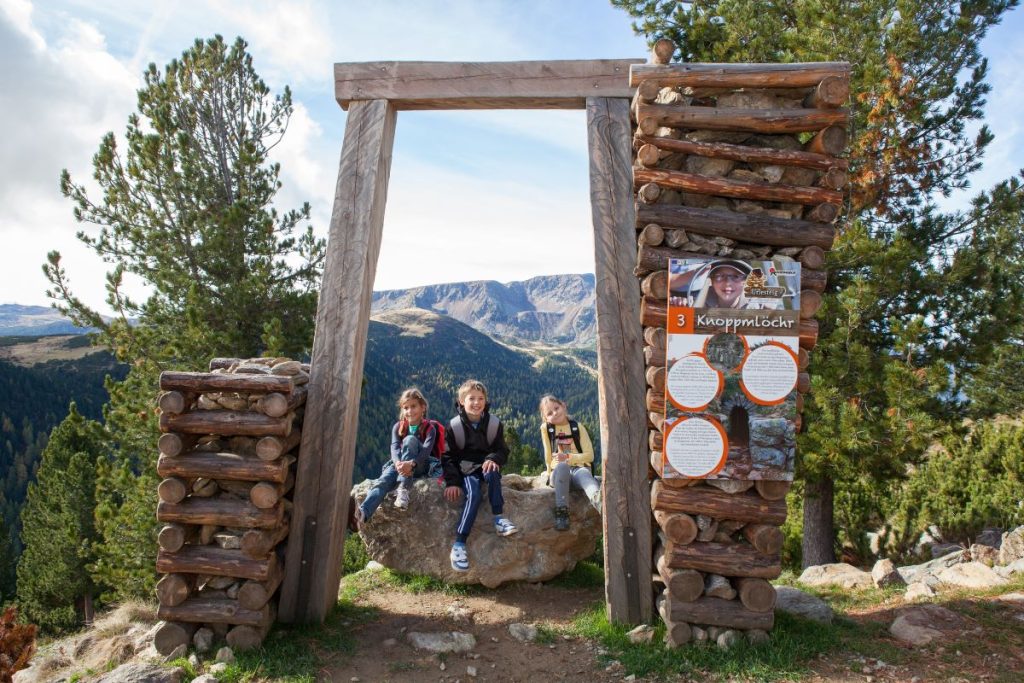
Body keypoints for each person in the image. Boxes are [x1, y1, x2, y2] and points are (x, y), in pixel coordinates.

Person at [442, 379, 517, 572]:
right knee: (473, 494)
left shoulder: (493, 424)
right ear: (461, 402)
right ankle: (459, 544)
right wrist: (452, 482)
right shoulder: (453, 427)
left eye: (480, 398)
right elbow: (448, 456)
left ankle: (499, 518)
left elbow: (502, 450)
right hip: (466, 468)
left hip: (485, 465)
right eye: (471, 399)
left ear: (486, 400)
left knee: (493, 473)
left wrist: (493, 458)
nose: (476, 403)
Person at [354, 388, 441, 527]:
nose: (409, 411)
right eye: (406, 407)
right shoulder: (398, 427)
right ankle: (363, 513)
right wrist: (399, 464)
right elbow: (394, 448)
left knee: (410, 440)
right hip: (400, 465)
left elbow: (426, 451)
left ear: (423, 407)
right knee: (384, 480)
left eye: (413, 406)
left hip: (420, 466)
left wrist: (411, 464)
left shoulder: (430, 428)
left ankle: (403, 489)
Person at [539, 395, 601, 531]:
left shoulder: (577, 428)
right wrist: (549, 473)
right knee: (562, 467)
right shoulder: (547, 429)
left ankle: (598, 500)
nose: (555, 413)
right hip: (559, 474)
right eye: (549, 413)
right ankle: (562, 513)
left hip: (578, 470)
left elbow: (590, 456)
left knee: (585, 474)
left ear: (563, 405)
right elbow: (548, 455)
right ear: (545, 418)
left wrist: (568, 457)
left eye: (556, 408)